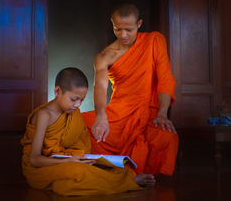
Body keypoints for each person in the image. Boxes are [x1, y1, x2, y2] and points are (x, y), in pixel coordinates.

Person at [21, 67, 155, 196]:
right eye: (74, 99)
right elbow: (34, 159)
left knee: (109, 166)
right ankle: (128, 183)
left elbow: (78, 145)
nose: (78, 105)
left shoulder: (73, 113)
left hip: (66, 160)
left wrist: (74, 159)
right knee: (79, 172)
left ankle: (125, 179)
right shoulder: (44, 115)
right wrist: (69, 162)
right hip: (40, 168)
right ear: (57, 91)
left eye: (82, 100)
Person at [82, 3, 179, 176]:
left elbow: (165, 78)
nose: (123, 35)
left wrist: (162, 113)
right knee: (78, 124)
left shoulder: (154, 41)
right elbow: (101, 87)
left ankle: (137, 174)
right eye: (118, 29)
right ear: (112, 24)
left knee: (167, 137)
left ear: (139, 24)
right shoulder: (105, 56)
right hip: (120, 113)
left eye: (129, 29)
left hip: (150, 113)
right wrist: (101, 116)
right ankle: (110, 171)